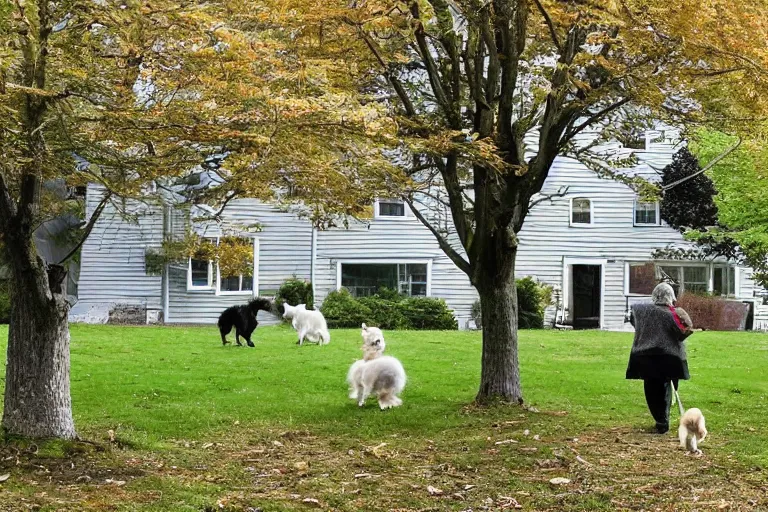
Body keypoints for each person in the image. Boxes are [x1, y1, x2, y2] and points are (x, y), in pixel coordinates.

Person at [626, 282, 694, 434]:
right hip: (668, 357)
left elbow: (634, 322)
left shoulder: (639, 310)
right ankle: (663, 420)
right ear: (671, 296)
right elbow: (683, 332)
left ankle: (660, 420)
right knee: (666, 388)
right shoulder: (674, 313)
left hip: (644, 356)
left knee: (651, 389)